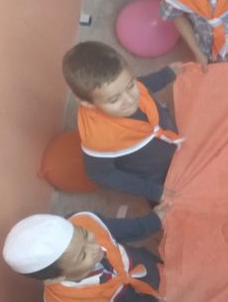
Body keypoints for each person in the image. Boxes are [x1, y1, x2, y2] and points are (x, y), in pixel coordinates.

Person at [2, 207, 165, 302]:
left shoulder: (82, 223)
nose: (96, 247)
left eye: (86, 235)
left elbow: (114, 229)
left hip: (146, 266)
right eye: (83, 255)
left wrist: (151, 221)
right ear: (56, 278)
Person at [62, 41, 181, 203]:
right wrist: (153, 191)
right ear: (87, 103)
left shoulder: (124, 89)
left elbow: (142, 85)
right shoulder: (100, 140)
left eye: (130, 86)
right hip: (156, 177)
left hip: (170, 144)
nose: (130, 100)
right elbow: (102, 174)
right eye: (114, 100)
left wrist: (166, 75)